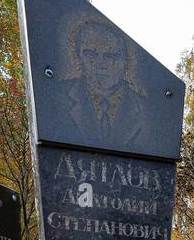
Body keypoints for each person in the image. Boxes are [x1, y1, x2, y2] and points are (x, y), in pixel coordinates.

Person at [61, 20, 146, 148]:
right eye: (91, 55)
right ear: (78, 57)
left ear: (125, 62)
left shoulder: (147, 109)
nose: (100, 65)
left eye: (110, 56)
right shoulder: (56, 97)